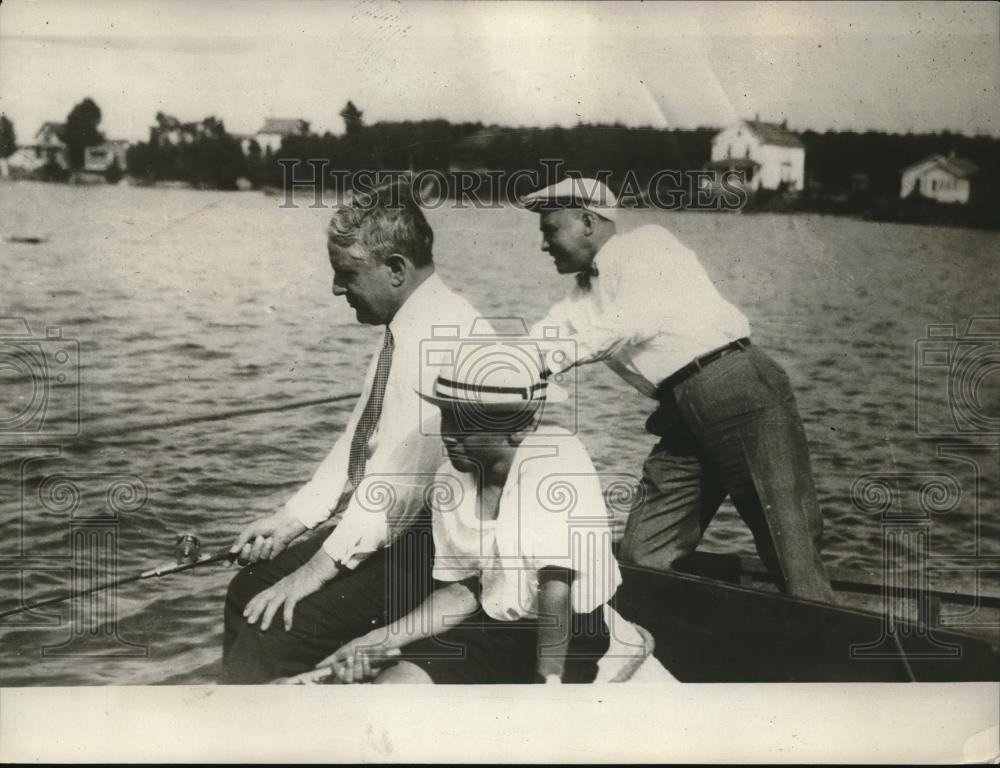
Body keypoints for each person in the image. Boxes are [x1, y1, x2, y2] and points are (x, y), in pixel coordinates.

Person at [222, 182, 491, 683]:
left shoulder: (438, 338)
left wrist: (311, 573)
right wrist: (288, 521)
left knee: (274, 627)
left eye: (346, 274)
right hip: (405, 532)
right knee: (249, 588)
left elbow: (395, 493)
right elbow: (358, 443)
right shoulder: (410, 320)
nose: (335, 289)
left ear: (395, 269)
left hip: (442, 552)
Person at [520, 177, 834, 602]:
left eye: (550, 230)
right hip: (682, 411)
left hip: (737, 388)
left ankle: (821, 648)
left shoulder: (647, 245)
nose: (543, 245)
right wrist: (495, 369)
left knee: (788, 546)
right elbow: (538, 342)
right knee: (644, 553)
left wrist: (548, 361)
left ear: (588, 222)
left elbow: (630, 322)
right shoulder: (580, 298)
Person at [315, 347, 622, 684]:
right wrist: (375, 640)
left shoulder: (557, 459)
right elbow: (463, 590)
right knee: (394, 686)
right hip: (494, 624)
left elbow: (556, 587)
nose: (449, 433)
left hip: (568, 634)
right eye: (447, 416)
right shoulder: (450, 477)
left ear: (521, 427)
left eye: (467, 422)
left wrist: (548, 681)